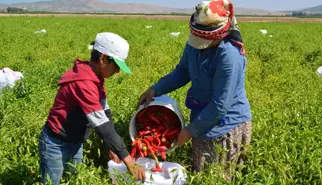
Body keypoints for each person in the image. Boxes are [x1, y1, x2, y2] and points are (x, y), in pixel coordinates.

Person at [138, 0, 252, 181]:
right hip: (201, 117)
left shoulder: (229, 56)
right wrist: (155, 90)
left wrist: (190, 131)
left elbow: (220, 104)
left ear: (220, 34)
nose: (201, 43)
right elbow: (182, 72)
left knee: (216, 177)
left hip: (225, 125)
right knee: (201, 173)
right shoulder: (194, 45)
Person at [38, 32, 145, 185]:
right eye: (116, 66)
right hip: (56, 144)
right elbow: (101, 124)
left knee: (76, 179)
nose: (117, 71)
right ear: (103, 58)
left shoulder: (95, 78)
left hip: (75, 141)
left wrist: (112, 146)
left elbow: (105, 112)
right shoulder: (83, 83)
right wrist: (128, 159)